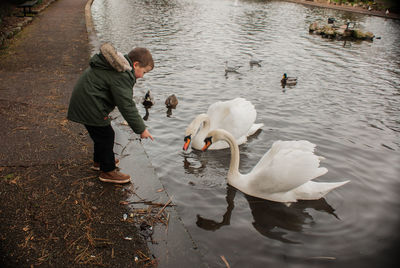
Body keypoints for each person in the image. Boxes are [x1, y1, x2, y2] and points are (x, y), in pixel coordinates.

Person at [67, 43, 154, 184]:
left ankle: (99, 161)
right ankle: (107, 171)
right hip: (90, 105)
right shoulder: (122, 75)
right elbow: (127, 106)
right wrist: (141, 129)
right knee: (106, 135)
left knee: (101, 134)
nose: (143, 76)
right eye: (144, 72)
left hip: (87, 100)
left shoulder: (118, 67)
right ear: (136, 64)